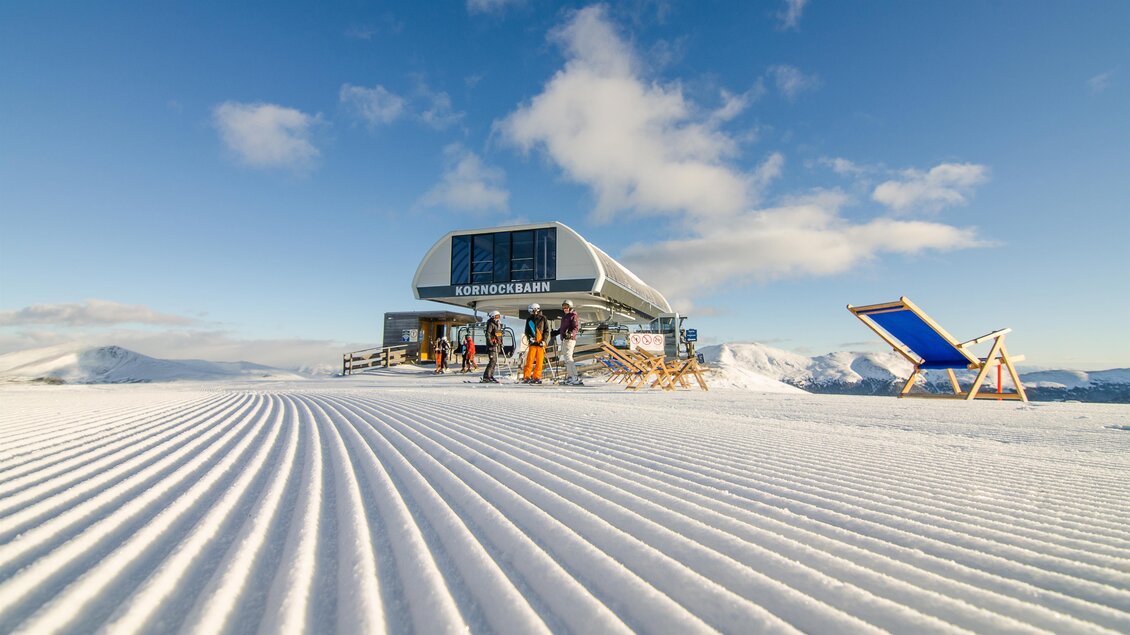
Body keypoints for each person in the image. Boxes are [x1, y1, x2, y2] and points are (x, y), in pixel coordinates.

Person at [556, 299, 583, 385]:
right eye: (563, 307)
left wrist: (570, 334)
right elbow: (562, 329)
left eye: (566, 307)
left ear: (570, 307)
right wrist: (556, 332)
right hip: (564, 339)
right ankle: (571, 376)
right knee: (566, 359)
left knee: (568, 357)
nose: (565, 308)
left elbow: (576, 328)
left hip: (570, 339)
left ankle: (575, 377)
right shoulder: (565, 316)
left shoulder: (573, 315)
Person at [521, 303, 548, 384]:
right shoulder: (529, 319)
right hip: (533, 343)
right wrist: (530, 338)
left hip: (540, 343)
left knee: (539, 361)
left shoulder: (543, 318)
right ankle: (526, 377)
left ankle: (536, 377)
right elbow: (527, 331)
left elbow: (546, 331)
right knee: (529, 361)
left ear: (536, 310)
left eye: (532, 311)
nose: (532, 313)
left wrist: (544, 341)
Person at [481, 310, 503, 383]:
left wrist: (501, 343)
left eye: (499, 316)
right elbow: (488, 334)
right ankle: (486, 377)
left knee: (494, 361)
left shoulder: (498, 324)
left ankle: (490, 376)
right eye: (497, 316)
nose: (498, 318)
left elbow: (499, 334)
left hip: (497, 345)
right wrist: (491, 343)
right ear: (493, 316)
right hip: (492, 346)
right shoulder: (491, 323)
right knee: (492, 361)